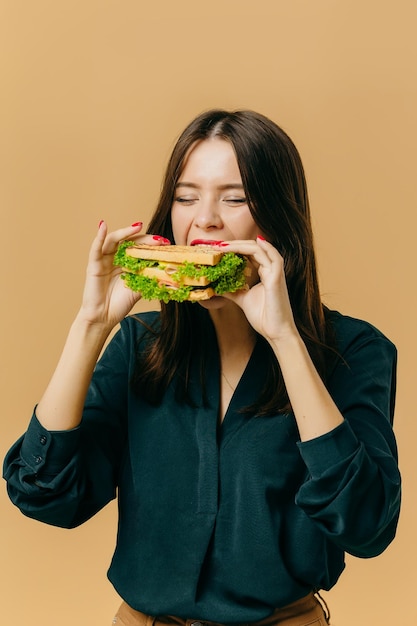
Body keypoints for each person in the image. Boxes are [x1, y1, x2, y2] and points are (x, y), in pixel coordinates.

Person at [3, 109, 401, 626]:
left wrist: (283, 339)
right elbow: (44, 493)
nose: (206, 219)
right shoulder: (137, 347)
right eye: (186, 198)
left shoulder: (355, 350)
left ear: (279, 217)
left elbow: (367, 525)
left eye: (234, 198)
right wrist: (90, 326)